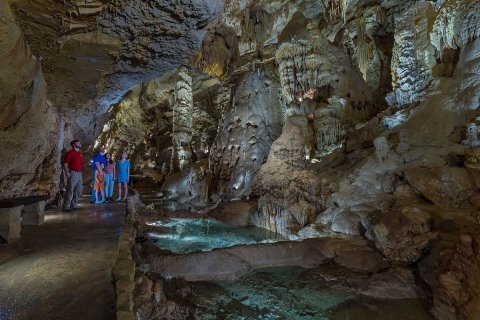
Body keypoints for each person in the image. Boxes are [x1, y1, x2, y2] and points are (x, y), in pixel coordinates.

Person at [63, 140, 84, 212]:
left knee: (78, 189)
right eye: (78, 143)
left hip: (79, 173)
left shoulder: (80, 154)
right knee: (70, 189)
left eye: (79, 142)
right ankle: (66, 206)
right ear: (74, 145)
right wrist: (66, 172)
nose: (80, 143)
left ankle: (74, 204)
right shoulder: (70, 153)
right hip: (73, 172)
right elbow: (65, 163)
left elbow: (80, 164)